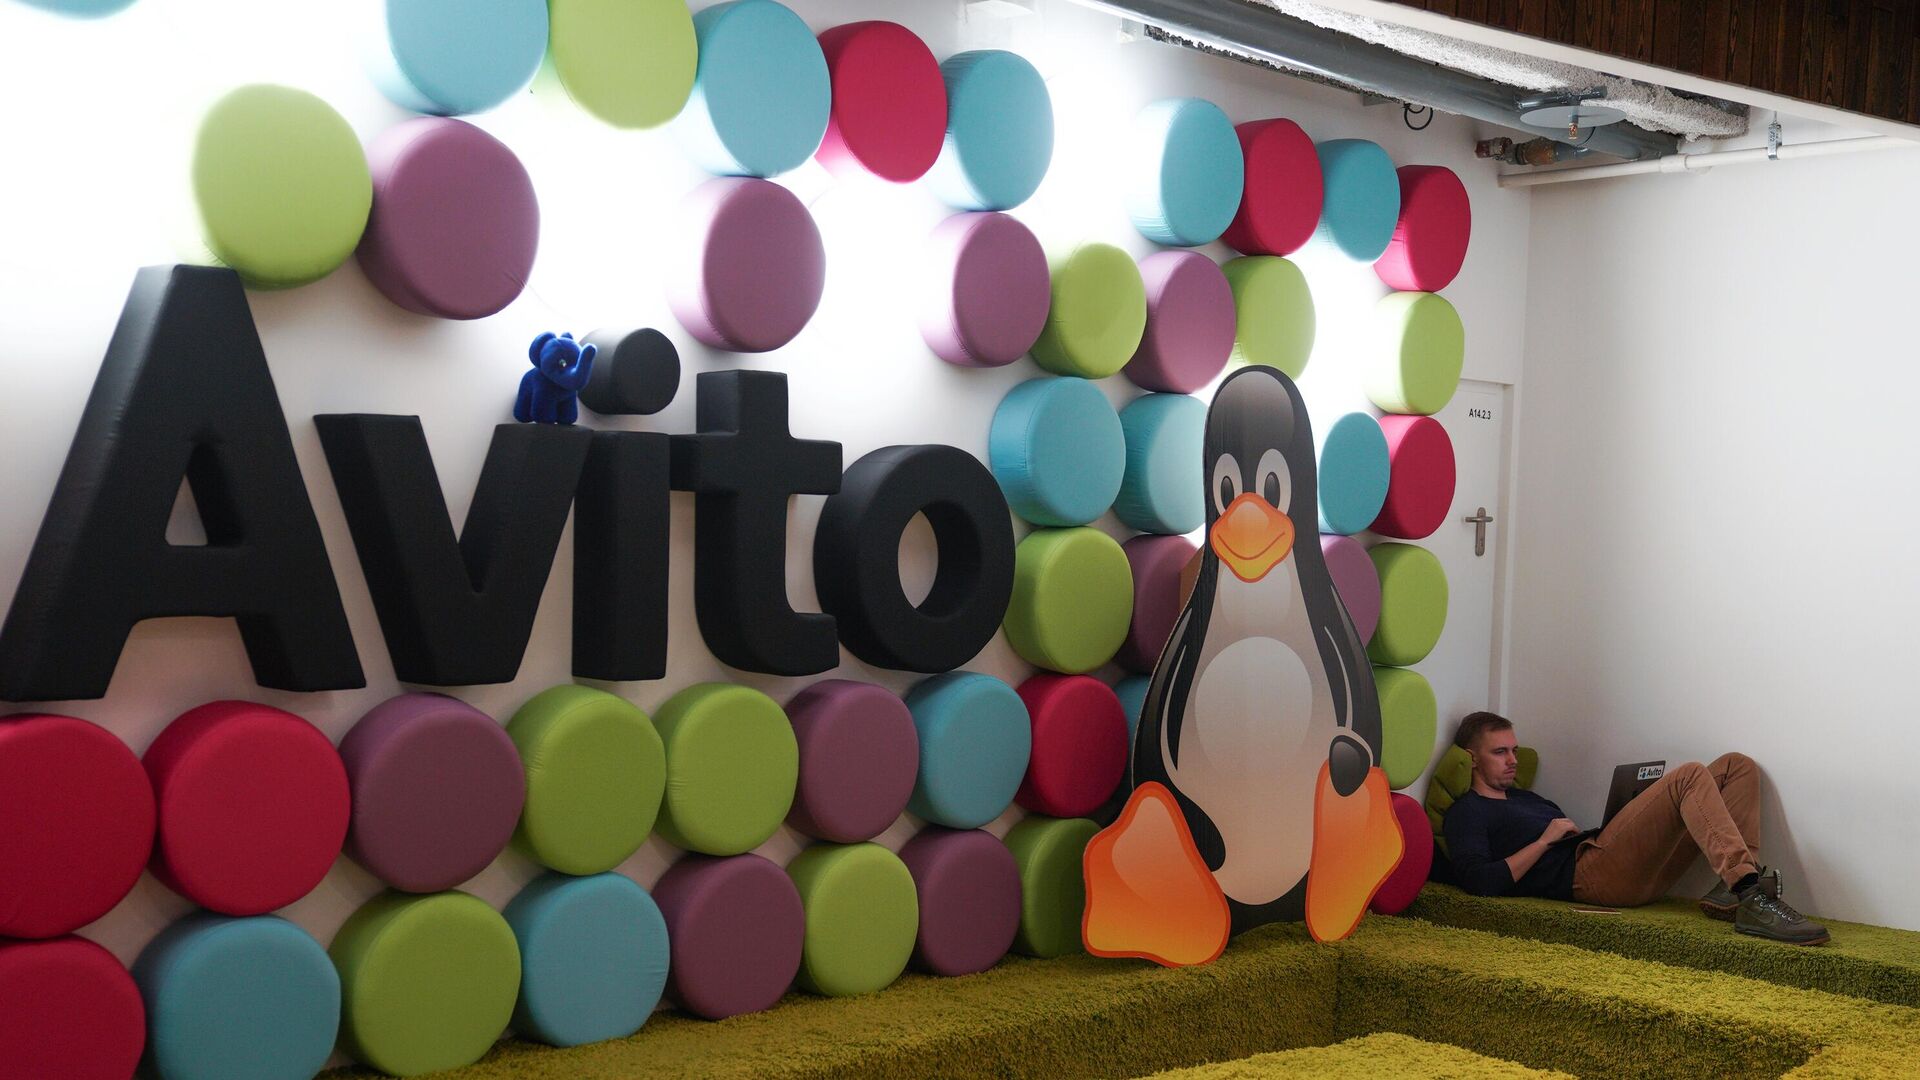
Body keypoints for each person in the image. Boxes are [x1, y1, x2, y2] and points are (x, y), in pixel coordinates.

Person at [1440, 711, 1827, 945]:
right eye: (1500, 752)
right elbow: (1479, 881)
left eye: (1513, 750)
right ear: (1471, 759)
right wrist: (1544, 841)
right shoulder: (1468, 812)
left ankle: (1732, 891)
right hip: (1590, 875)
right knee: (1689, 775)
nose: (1512, 759)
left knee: (1737, 766)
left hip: (1612, 861)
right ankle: (1750, 893)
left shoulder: (1525, 798)